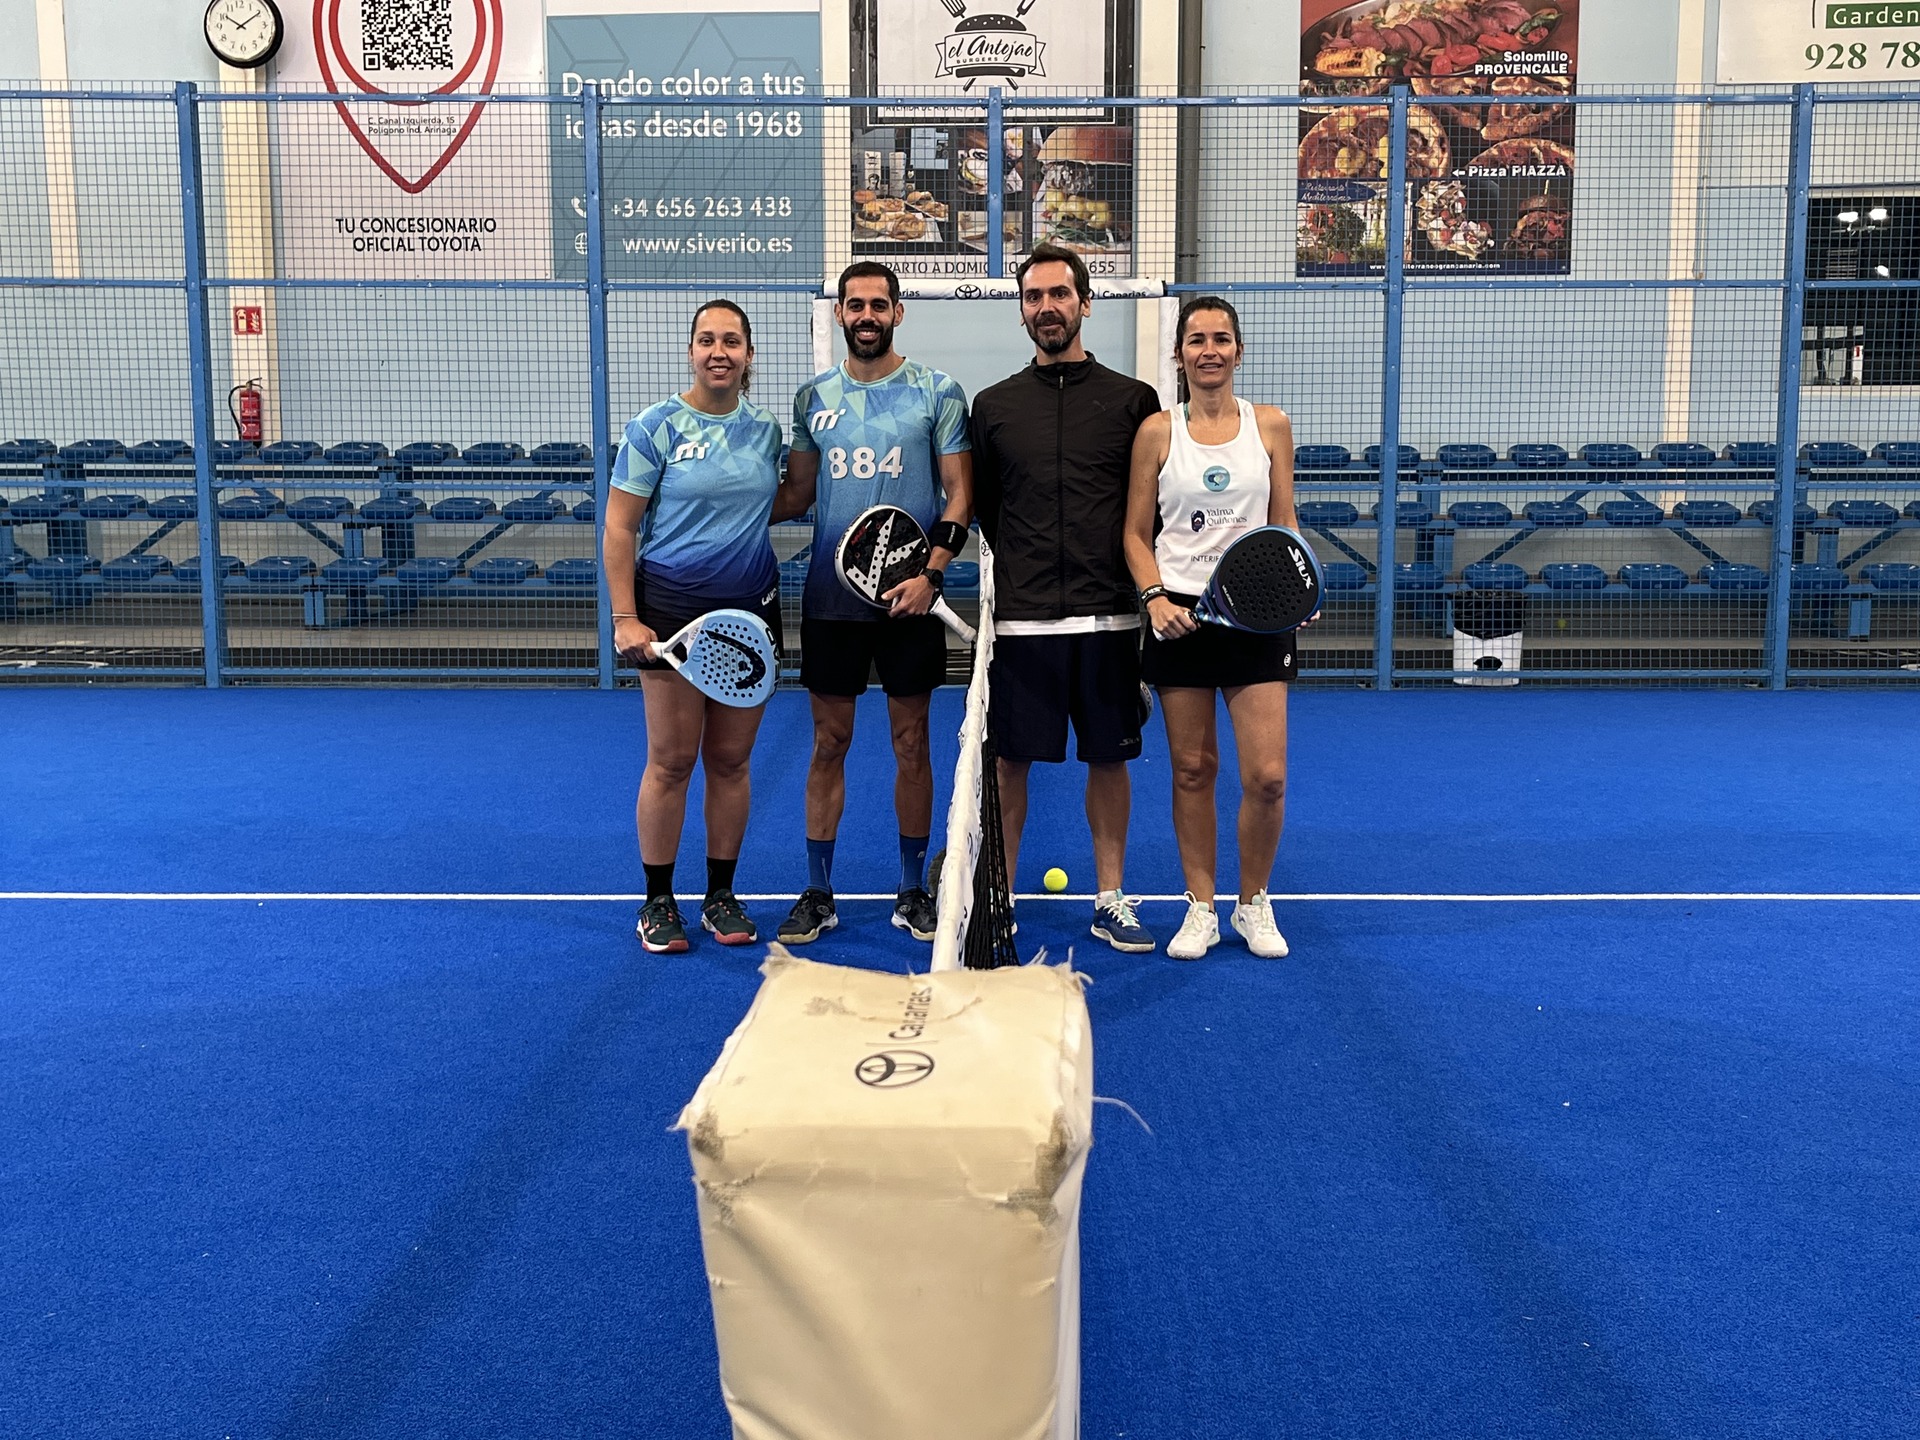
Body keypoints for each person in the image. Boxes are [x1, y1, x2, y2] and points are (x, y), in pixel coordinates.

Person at [773, 262, 974, 946]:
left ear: (897, 312)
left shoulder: (937, 392)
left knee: (911, 743)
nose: (866, 315)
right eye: (854, 304)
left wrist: (933, 575)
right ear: (839, 314)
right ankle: (818, 892)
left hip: (910, 603)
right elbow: (796, 494)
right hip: (832, 602)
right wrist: (705, 504)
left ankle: (913, 890)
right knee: (829, 742)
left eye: (878, 304)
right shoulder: (812, 399)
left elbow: (960, 495)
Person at [970, 243, 1164, 953]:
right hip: (1023, 625)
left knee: (1109, 760)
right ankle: (999, 897)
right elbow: (990, 510)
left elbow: (1148, 511)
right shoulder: (993, 407)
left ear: (1085, 302)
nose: (1047, 307)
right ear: (1022, 311)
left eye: (1059, 294)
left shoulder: (1134, 402)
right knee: (1008, 764)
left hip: (1109, 618)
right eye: (1034, 297)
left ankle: (1111, 899)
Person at [603, 299, 785, 954]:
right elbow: (619, 526)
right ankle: (658, 901)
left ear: (749, 354)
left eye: (731, 341)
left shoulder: (766, 430)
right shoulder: (655, 427)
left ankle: (721, 896)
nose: (718, 352)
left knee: (731, 762)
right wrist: (625, 617)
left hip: (750, 614)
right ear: (690, 351)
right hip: (671, 613)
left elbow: (775, 501)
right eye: (706, 340)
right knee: (672, 761)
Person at [1122, 296, 1299, 960]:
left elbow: (1284, 524)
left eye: (1221, 339)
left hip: (1257, 616)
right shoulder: (1157, 431)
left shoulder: (1271, 426)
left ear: (1238, 351)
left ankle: (1253, 904)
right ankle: (1200, 907)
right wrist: (1153, 599)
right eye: (1196, 340)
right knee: (1193, 770)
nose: (1209, 351)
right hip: (1181, 618)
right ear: (1180, 355)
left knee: (1268, 776)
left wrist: (1296, 590)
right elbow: (1135, 534)